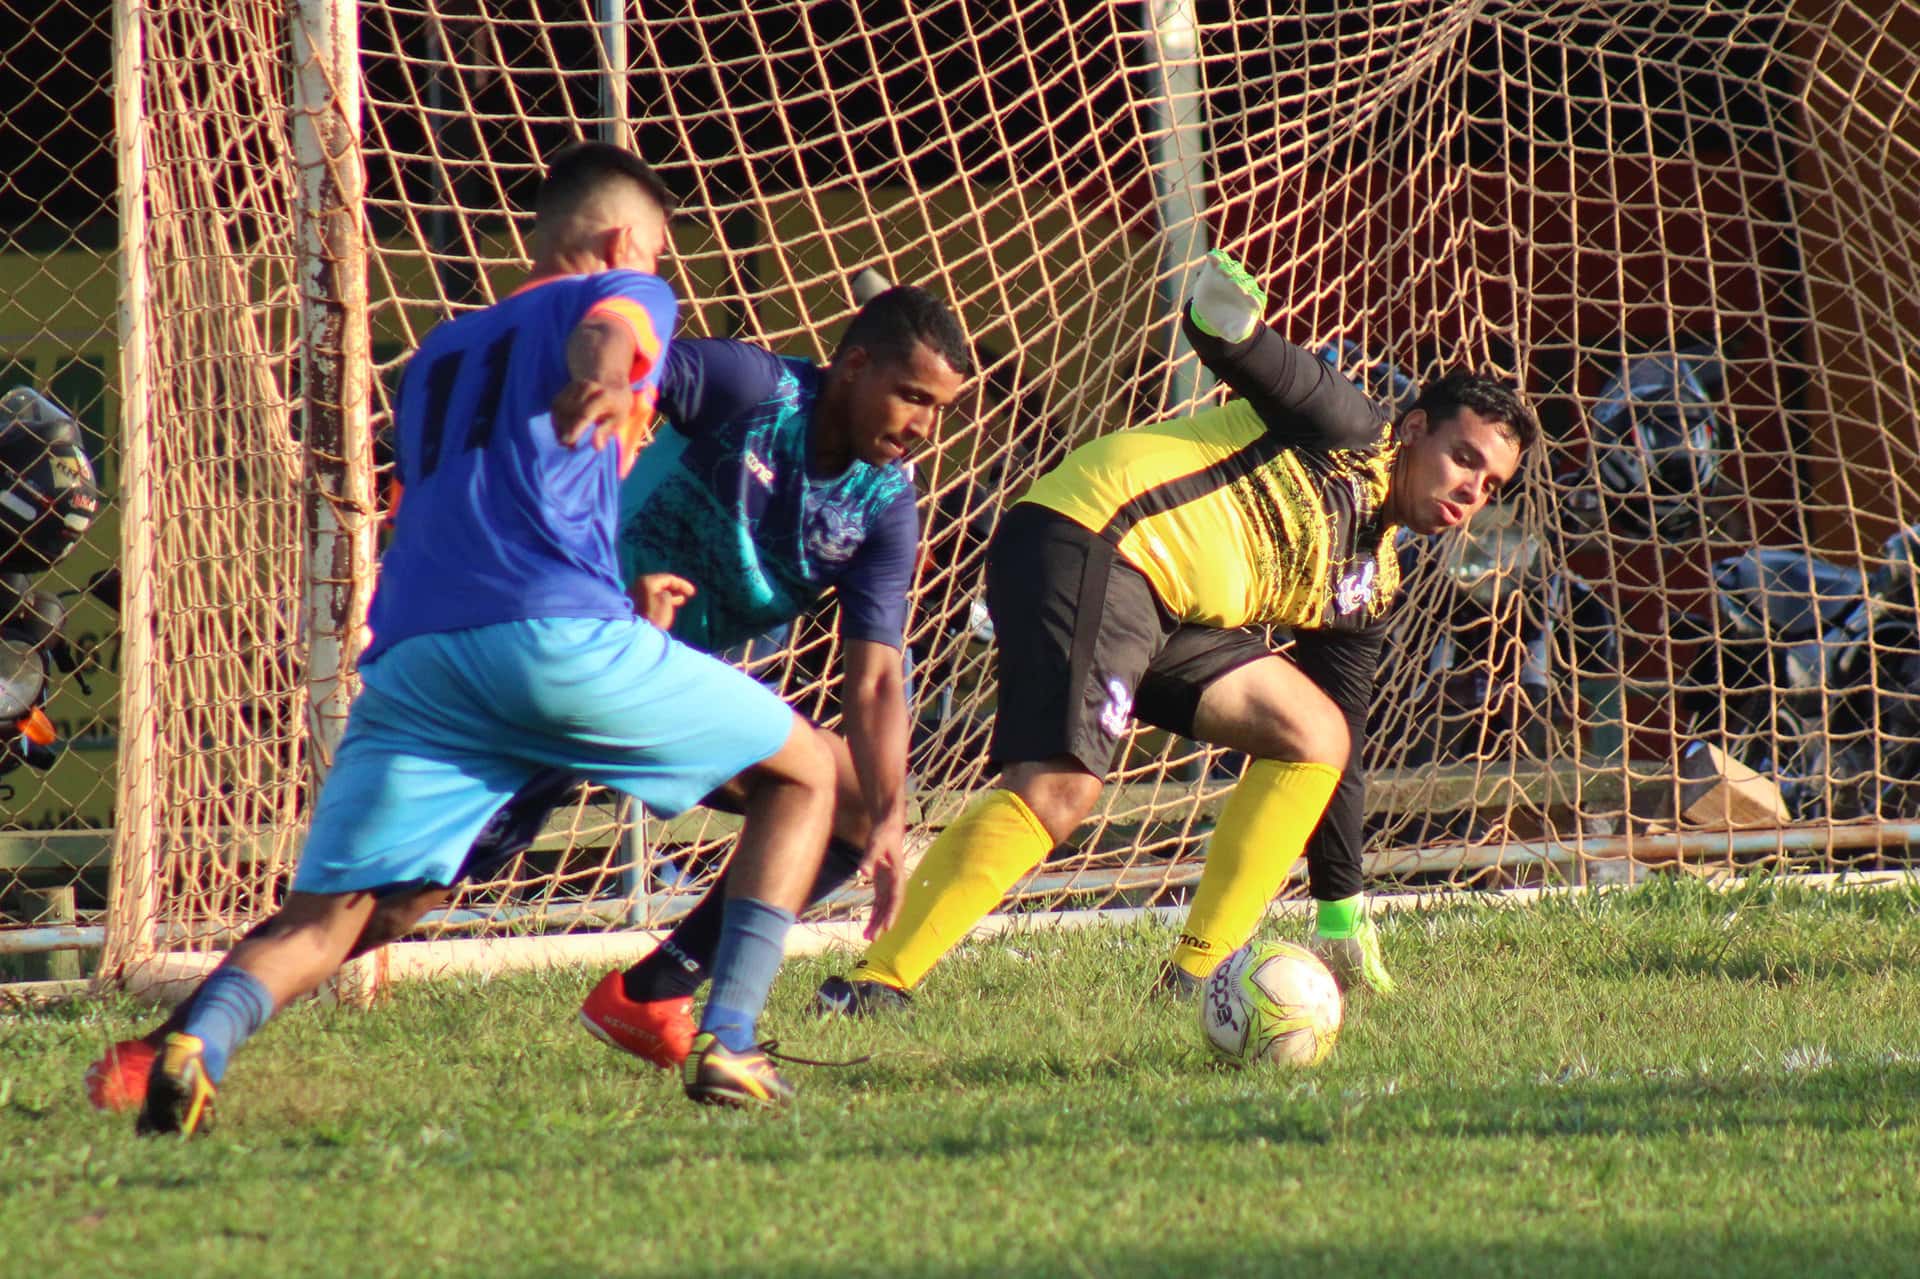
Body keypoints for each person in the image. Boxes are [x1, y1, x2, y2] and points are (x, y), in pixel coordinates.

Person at [84, 284, 973, 1108]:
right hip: (557, 642)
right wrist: (614, 413)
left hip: (644, 688)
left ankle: (658, 994)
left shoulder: (886, 504)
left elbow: (880, 672)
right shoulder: (752, 388)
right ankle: (168, 1045)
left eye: (941, 410)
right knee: (399, 902)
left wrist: (894, 820)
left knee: (844, 796)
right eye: (913, 397)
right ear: (853, 367)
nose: (924, 427)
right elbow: (637, 381)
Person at [122, 141, 841, 1132]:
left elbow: (481, 499)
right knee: (810, 773)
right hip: (549, 637)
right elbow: (613, 324)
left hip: (416, 664)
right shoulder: (628, 288)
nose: (659, 271)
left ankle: (199, 1037)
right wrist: (601, 377)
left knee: (338, 916)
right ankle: (730, 1036)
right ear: (626, 239)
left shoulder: (436, 355)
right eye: (660, 252)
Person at [813, 250, 1537, 1016]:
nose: (1471, 490)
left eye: (1490, 484)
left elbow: (1342, 755)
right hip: (1093, 540)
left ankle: (1193, 984)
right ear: (1415, 428)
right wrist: (1223, 309)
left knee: (1315, 734)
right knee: (1062, 788)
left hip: (1167, 613)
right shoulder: (1349, 424)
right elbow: (1235, 343)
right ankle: (873, 983)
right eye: (1464, 458)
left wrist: (1341, 909)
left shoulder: (1372, 582)